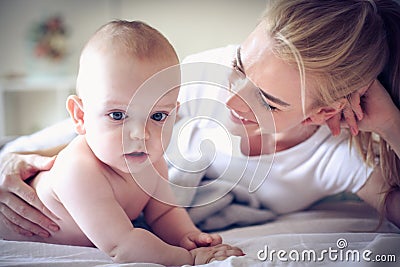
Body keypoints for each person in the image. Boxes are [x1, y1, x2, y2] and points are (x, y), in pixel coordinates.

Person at [1, 0, 400, 240]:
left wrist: (390, 125)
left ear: (324, 112)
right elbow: (90, 129)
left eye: (267, 100)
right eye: (240, 65)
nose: (231, 97)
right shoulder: (205, 75)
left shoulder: (340, 154)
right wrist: (16, 157)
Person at [0, 20, 244, 265]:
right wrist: (188, 258)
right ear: (80, 116)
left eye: (158, 116)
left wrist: (188, 237)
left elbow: (164, 213)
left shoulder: (152, 161)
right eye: (117, 115)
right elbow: (122, 245)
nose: (140, 134)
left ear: (174, 113)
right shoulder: (78, 170)